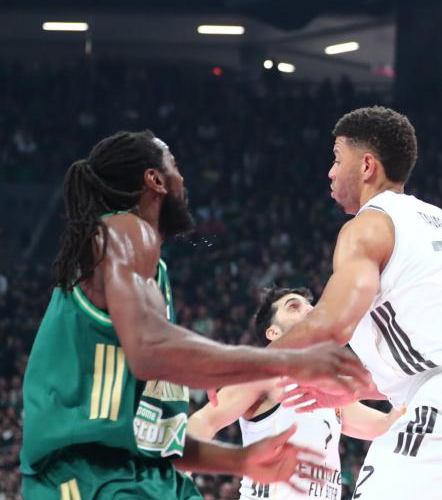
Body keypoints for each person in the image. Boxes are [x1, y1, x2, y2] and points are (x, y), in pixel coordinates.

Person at [20, 131, 369, 499]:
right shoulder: (124, 231)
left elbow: (157, 435)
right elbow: (148, 349)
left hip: (136, 474)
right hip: (89, 475)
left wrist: (239, 460)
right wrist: (281, 361)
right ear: (154, 180)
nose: (183, 178)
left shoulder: (152, 272)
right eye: (174, 165)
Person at [262, 107, 442, 499]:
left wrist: (244, 366)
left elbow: (332, 323)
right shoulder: (434, 218)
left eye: (337, 159)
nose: (331, 172)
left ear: (366, 166)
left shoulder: (367, 226)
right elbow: (435, 351)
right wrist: (356, 388)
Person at [188, 286, 405, 499]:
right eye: (294, 307)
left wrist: (413, 377)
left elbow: (385, 426)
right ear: (273, 332)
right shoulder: (263, 375)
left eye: (310, 305)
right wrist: (179, 474)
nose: (309, 309)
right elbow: (205, 421)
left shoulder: (329, 390)